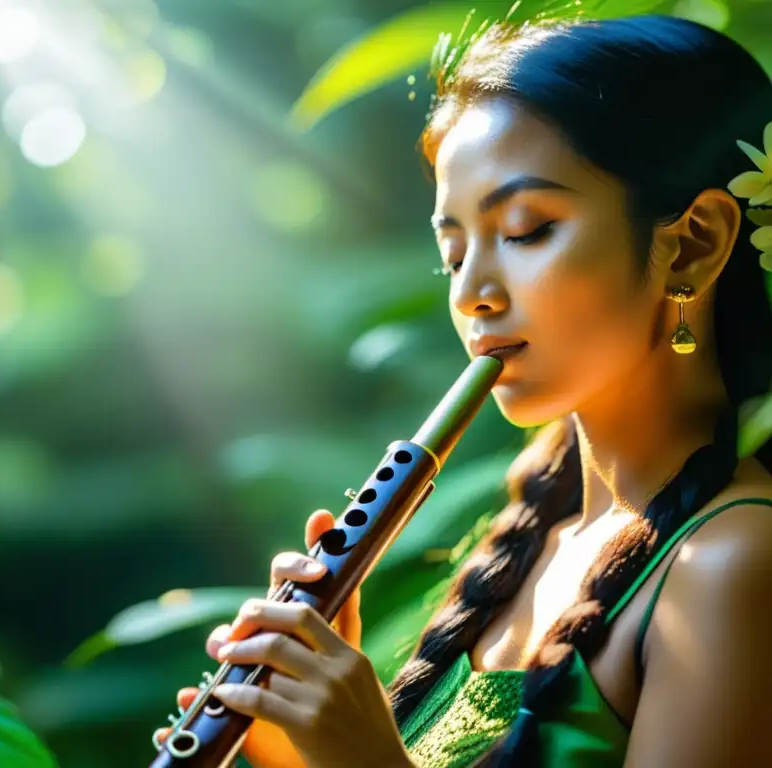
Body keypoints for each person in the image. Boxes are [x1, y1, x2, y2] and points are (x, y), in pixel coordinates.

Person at [156, 13, 772, 767]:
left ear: (695, 242)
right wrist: (291, 740)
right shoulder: (529, 541)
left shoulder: (736, 563)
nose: (473, 292)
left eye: (524, 229)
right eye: (453, 253)